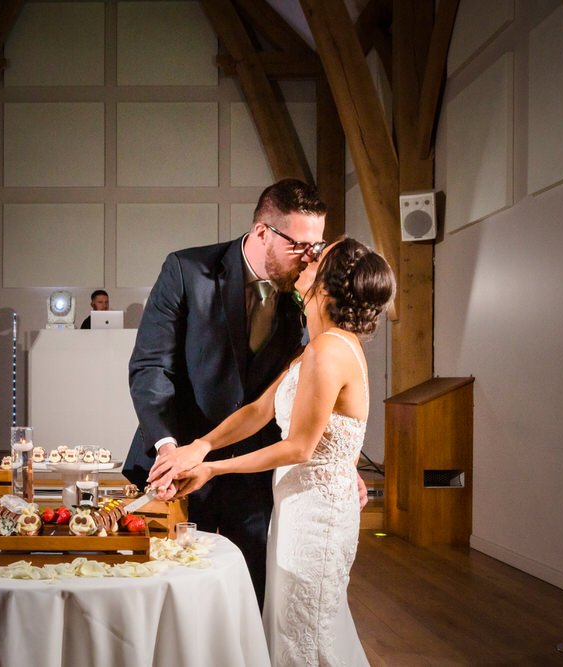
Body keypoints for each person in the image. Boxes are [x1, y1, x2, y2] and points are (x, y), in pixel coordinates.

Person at [151, 237, 395, 666]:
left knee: (307, 633)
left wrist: (213, 469)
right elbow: (260, 410)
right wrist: (202, 446)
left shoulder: (327, 350)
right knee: (291, 625)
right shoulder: (316, 347)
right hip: (298, 507)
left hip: (317, 517)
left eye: (319, 255)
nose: (308, 257)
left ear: (327, 283)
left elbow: (300, 447)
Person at [124, 178, 329, 607]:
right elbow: (151, 366)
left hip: (254, 471)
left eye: (317, 245)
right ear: (261, 233)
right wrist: (166, 446)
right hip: (174, 464)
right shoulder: (187, 270)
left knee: (251, 596)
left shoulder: (307, 293)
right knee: (168, 593)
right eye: (299, 245)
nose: (310, 257)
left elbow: (309, 389)